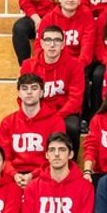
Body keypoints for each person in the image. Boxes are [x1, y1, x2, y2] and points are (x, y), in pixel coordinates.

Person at [20, 25, 83, 153]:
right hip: (38, 111)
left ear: (63, 44)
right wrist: (39, 115)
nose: (52, 45)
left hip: (64, 112)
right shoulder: (28, 65)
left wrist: (55, 117)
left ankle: (70, 162)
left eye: (57, 40)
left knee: (72, 126)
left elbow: (75, 99)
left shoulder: (74, 65)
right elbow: (25, 95)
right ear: (41, 43)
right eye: (48, 40)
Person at [0, 73, 66, 187]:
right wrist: (14, 175)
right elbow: (4, 158)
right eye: (24, 88)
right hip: (14, 177)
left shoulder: (55, 122)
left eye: (34, 88)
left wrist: (33, 175)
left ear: (41, 93)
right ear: (19, 93)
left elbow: (55, 157)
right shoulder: (7, 122)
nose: (29, 92)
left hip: (44, 175)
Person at [37, 0, 95, 66]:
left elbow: (87, 45)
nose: (70, 0)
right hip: (54, 62)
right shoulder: (48, 19)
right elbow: (40, 45)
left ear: (79, 1)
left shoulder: (87, 17)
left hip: (78, 63)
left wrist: (78, 66)